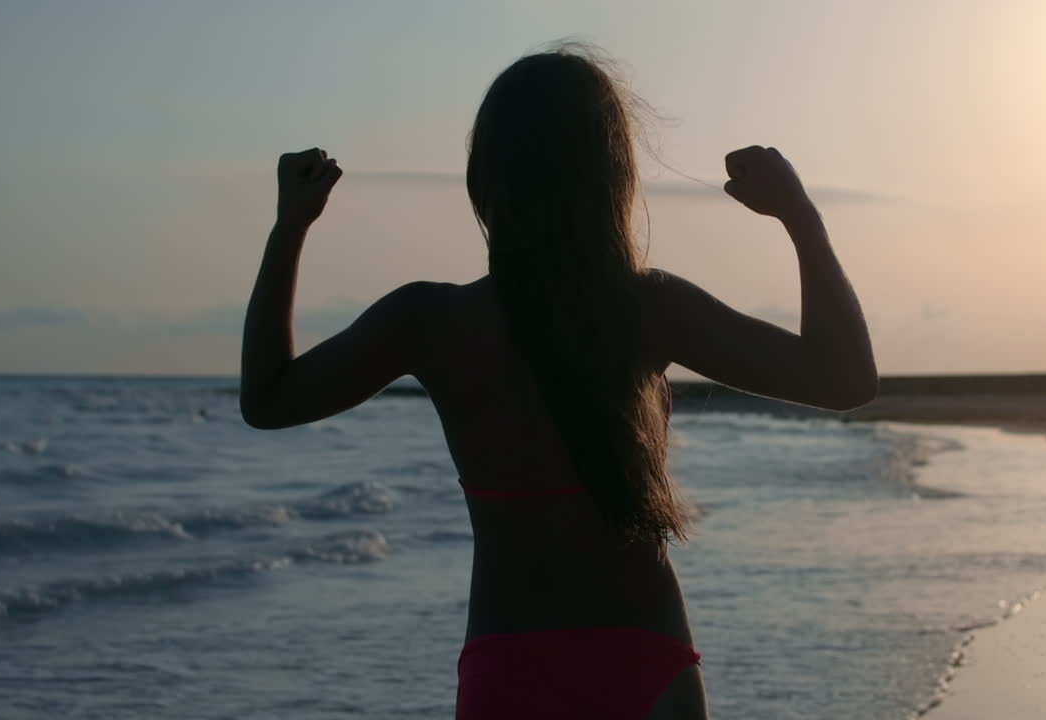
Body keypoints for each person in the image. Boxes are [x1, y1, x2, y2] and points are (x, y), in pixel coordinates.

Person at [240, 44, 877, 720]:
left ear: (486, 177)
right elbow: (844, 379)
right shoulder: (647, 309)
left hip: (509, 671)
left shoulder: (431, 320)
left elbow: (269, 400)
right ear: (614, 176)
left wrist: (290, 228)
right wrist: (799, 217)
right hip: (644, 661)